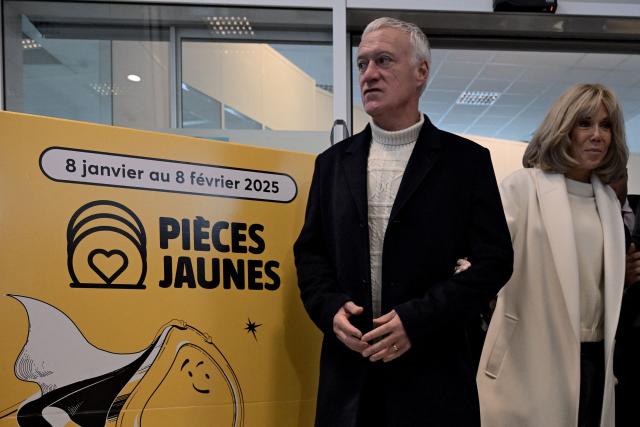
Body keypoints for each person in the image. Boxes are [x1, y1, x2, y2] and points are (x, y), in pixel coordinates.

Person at [294, 17, 513, 427]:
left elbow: (495, 261)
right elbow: (311, 253)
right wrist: (329, 308)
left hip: (433, 374)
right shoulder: (332, 164)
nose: (369, 74)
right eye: (362, 64)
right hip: (349, 381)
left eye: (383, 61)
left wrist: (418, 320)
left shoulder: (465, 163)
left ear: (421, 72)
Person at [477, 83, 629, 427]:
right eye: (585, 123)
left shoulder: (606, 200)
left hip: (593, 358)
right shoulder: (523, 187)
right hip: (530, 356)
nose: (596, 136)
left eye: (606, 126)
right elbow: (483, 265)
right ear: (563, 129)